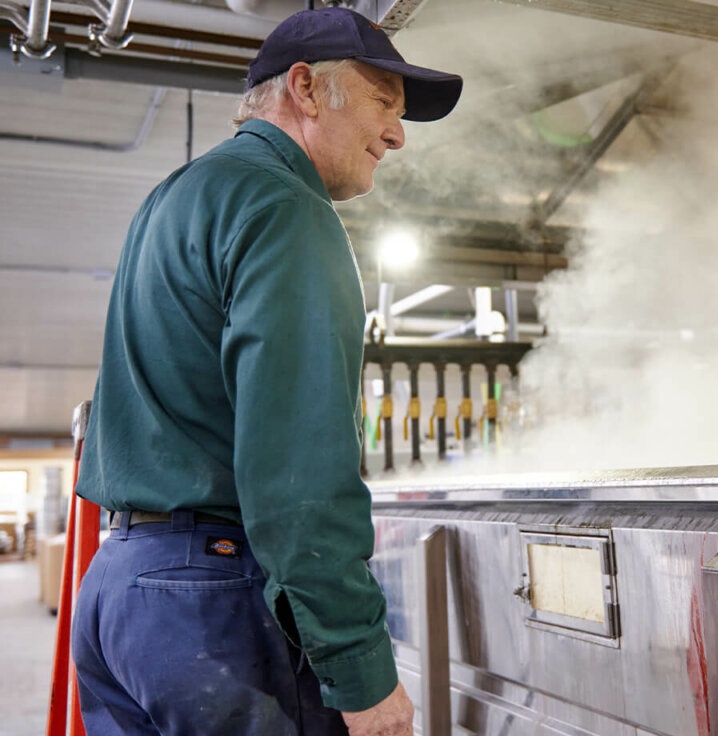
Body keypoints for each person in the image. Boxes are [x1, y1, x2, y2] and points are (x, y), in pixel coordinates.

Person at [70, 8, 461, 735]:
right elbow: (298, 467)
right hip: (210, 605)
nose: (397, 134)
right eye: (384, 102)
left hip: (119, 588)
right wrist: (361, 671)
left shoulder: (175, 196)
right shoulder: (285, 208)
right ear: (308, 90)